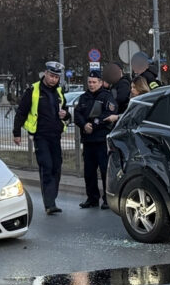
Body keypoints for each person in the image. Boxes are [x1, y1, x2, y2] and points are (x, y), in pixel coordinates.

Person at [13, 61, 68, 214]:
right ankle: (49, 204)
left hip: (55, 136)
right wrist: (16, 133)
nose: (53, 79)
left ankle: (52, 199)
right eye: (51, 76)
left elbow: (66, 111)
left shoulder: (58, 92)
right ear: (45, 73)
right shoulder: (33, 90)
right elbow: (21, 112)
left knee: (57, 166)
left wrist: (66, 114)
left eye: (56, 77)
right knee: (47, 166)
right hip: (40, 135)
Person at [74, 73, 116, 209]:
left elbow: (109, 113)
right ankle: (92, 198)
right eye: (89, 82)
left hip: (102, 139)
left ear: (100, 82)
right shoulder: (84, 97)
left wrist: (94, 124)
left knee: (105, 171)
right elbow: (77, 114)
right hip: (88, 140)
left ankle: (107, 199)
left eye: (94, 82)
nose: (91, 84)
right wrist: (84, 125)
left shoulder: (106, 96)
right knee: (89, 172)